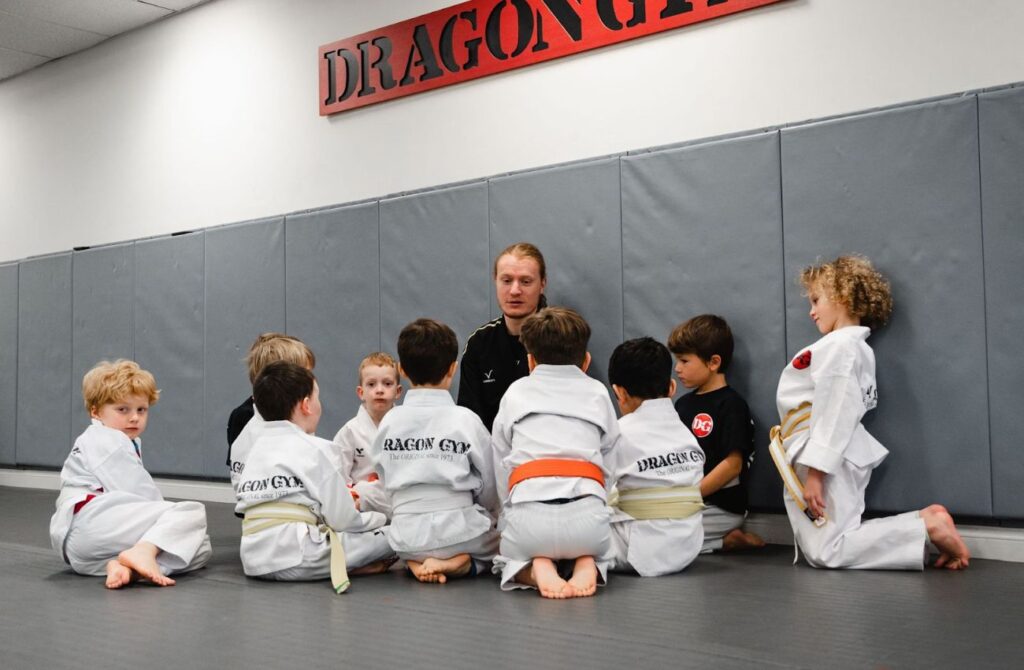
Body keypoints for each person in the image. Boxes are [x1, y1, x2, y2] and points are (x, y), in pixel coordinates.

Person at [773, 254, 970, 570]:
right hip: (826, 449)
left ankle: (927, 527)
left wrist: (816, 472)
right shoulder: (843, 347)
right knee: (829, 543)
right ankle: (924, 521)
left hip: (825, 452)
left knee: (828, 551)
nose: (810, 311)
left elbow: (835, 410)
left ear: (842, 296)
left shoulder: (842, 347)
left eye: (816, 300)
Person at [49, 360, 212, 589]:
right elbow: (142, 495)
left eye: (141, 410)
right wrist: (170, 523)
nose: (134, 417)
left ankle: (126, 569)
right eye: (122, 409)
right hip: (92, 521)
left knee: (199, 550)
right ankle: (144, 552)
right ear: (95, 411)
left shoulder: (112, 439)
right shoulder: (108, 440)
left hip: (83, 555)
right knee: (191, 513)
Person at [492, 307, 618, 599]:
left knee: (503, 558)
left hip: (528, 518)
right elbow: (610, 459)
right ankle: (589, 561)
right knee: (606, 543)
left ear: (530, 360)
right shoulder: (597, 392)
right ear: (586, 361)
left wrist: (505, 513)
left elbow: (500, 461)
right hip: (588, 518)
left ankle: (534, 568)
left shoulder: (516, 392)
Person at [235, 362, 394, 592]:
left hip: (253, 560)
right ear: (307, 405)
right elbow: (343, 520)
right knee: (397, 534)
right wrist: (378, 519)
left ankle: (351, 563)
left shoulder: (255, 450)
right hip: (301, 557)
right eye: (317, 398)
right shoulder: (318, 448)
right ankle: (352, 563)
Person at [370, 319, 499, 584]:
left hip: (405, 537)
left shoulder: (390, 421)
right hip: (462, 533)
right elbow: (490, 487)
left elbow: (385, 481)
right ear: (453, 369)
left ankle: (413, 562)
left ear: (402, 371)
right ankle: (464, 564)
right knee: (506, 541)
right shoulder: (466, 420)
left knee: (403, 541)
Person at [607, 337, 705, 576]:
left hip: (638, 551)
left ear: (619, 392)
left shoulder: (618, 433)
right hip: (688, 546)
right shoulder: (686, 434)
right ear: (671, 388)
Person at [670, 315, 765, 552]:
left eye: (684, 361)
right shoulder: (682, 405)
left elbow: (732, 465)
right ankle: (723, 541)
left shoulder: (732, 405)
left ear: (713, 362)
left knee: (666, 538)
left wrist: (691, 496)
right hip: (688, 503)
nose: (677, 368)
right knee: (652, 528)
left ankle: (725, 538)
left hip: (721, 507)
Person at [458, 242, 547, 431]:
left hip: (545, 455)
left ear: (542, 284)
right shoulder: (478, 344)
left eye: (525, 281)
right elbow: (470, 422)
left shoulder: (559, 339)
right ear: (495, 281)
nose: (515, 290)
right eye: (506, 280)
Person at [227, 332, 315, 494]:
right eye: (306, 375)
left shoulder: (299, 413)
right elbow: (239, 472)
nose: (312, 382)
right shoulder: (244, 417)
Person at [332, 352, 403, 517]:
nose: (379, 390)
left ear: (398, 391)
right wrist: (361, 493)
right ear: (360, 392)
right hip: (362, 512)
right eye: (371, 384)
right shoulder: (349, 432)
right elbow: (338, 479)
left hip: (400, 507)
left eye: (387, 383)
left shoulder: (406, 428)